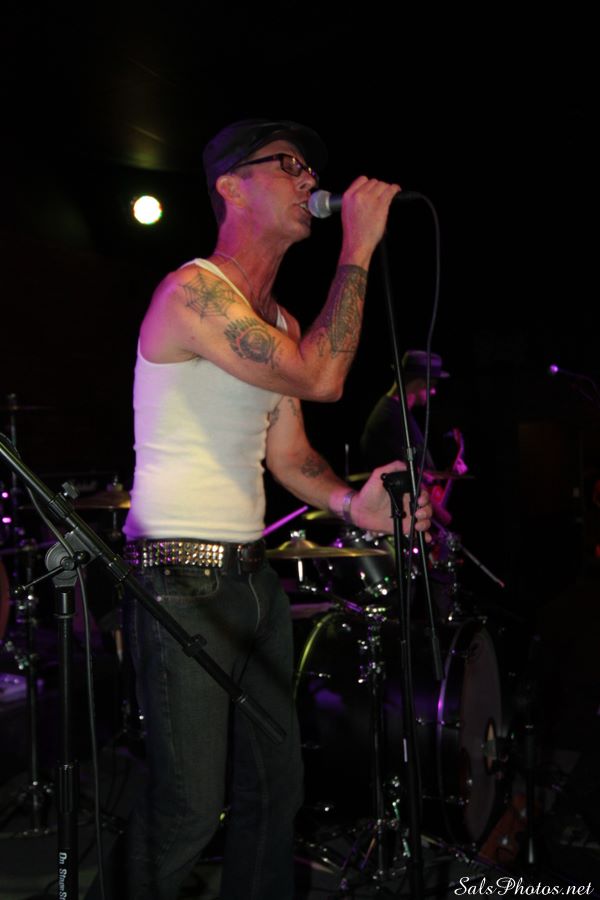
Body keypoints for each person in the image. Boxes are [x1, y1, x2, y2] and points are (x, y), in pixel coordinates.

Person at [120, 118, 432, 900]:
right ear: (231, 187)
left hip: (252, 579)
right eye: (287, 164)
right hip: (178, 578)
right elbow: (323, 379)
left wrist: (350, 502)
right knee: (190, 811)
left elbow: (289, 457)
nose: (309, 178)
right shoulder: (192, 292)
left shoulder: (282, 323)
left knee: (274, 790)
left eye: (309, 167)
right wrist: (358, 246)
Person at [361, 349, 466, 527]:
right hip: (400, 521)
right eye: (431, 385)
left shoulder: (398, 413)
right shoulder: (389, 417)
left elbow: (417, 472)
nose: (433, 392)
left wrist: (446, 474)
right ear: (419, 383)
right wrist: (443, 516)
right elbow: (406, 476)